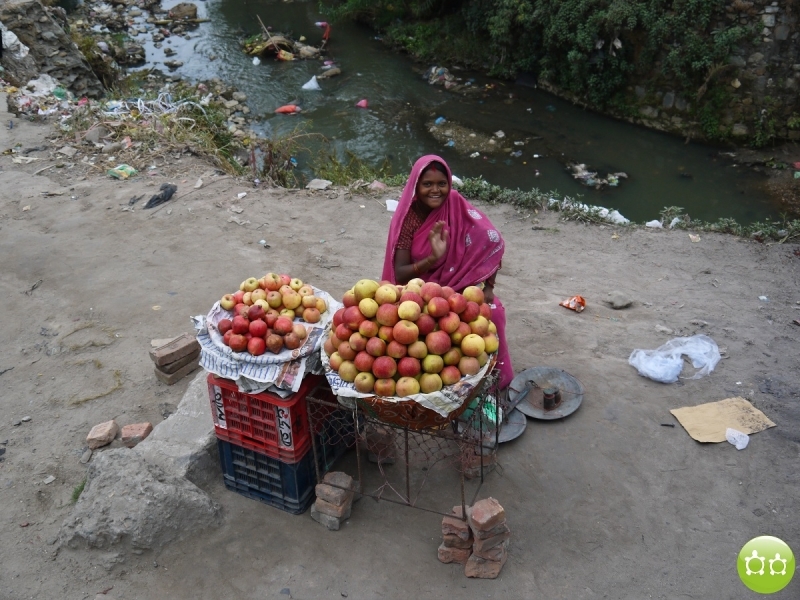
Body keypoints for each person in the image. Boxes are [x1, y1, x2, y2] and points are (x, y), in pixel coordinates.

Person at [381, 154, 513, 390]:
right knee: (423, 343)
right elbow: (400, 274)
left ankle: (494, 382)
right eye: (427, 184)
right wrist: (432, 258)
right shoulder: (409, 219)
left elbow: (490, 239)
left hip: (456, 285)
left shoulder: (454, 203)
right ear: (416, 185)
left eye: (441, 183)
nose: (435, 190)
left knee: (493, 312)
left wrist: (489, 287)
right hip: (418, 292)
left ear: (449, 184)